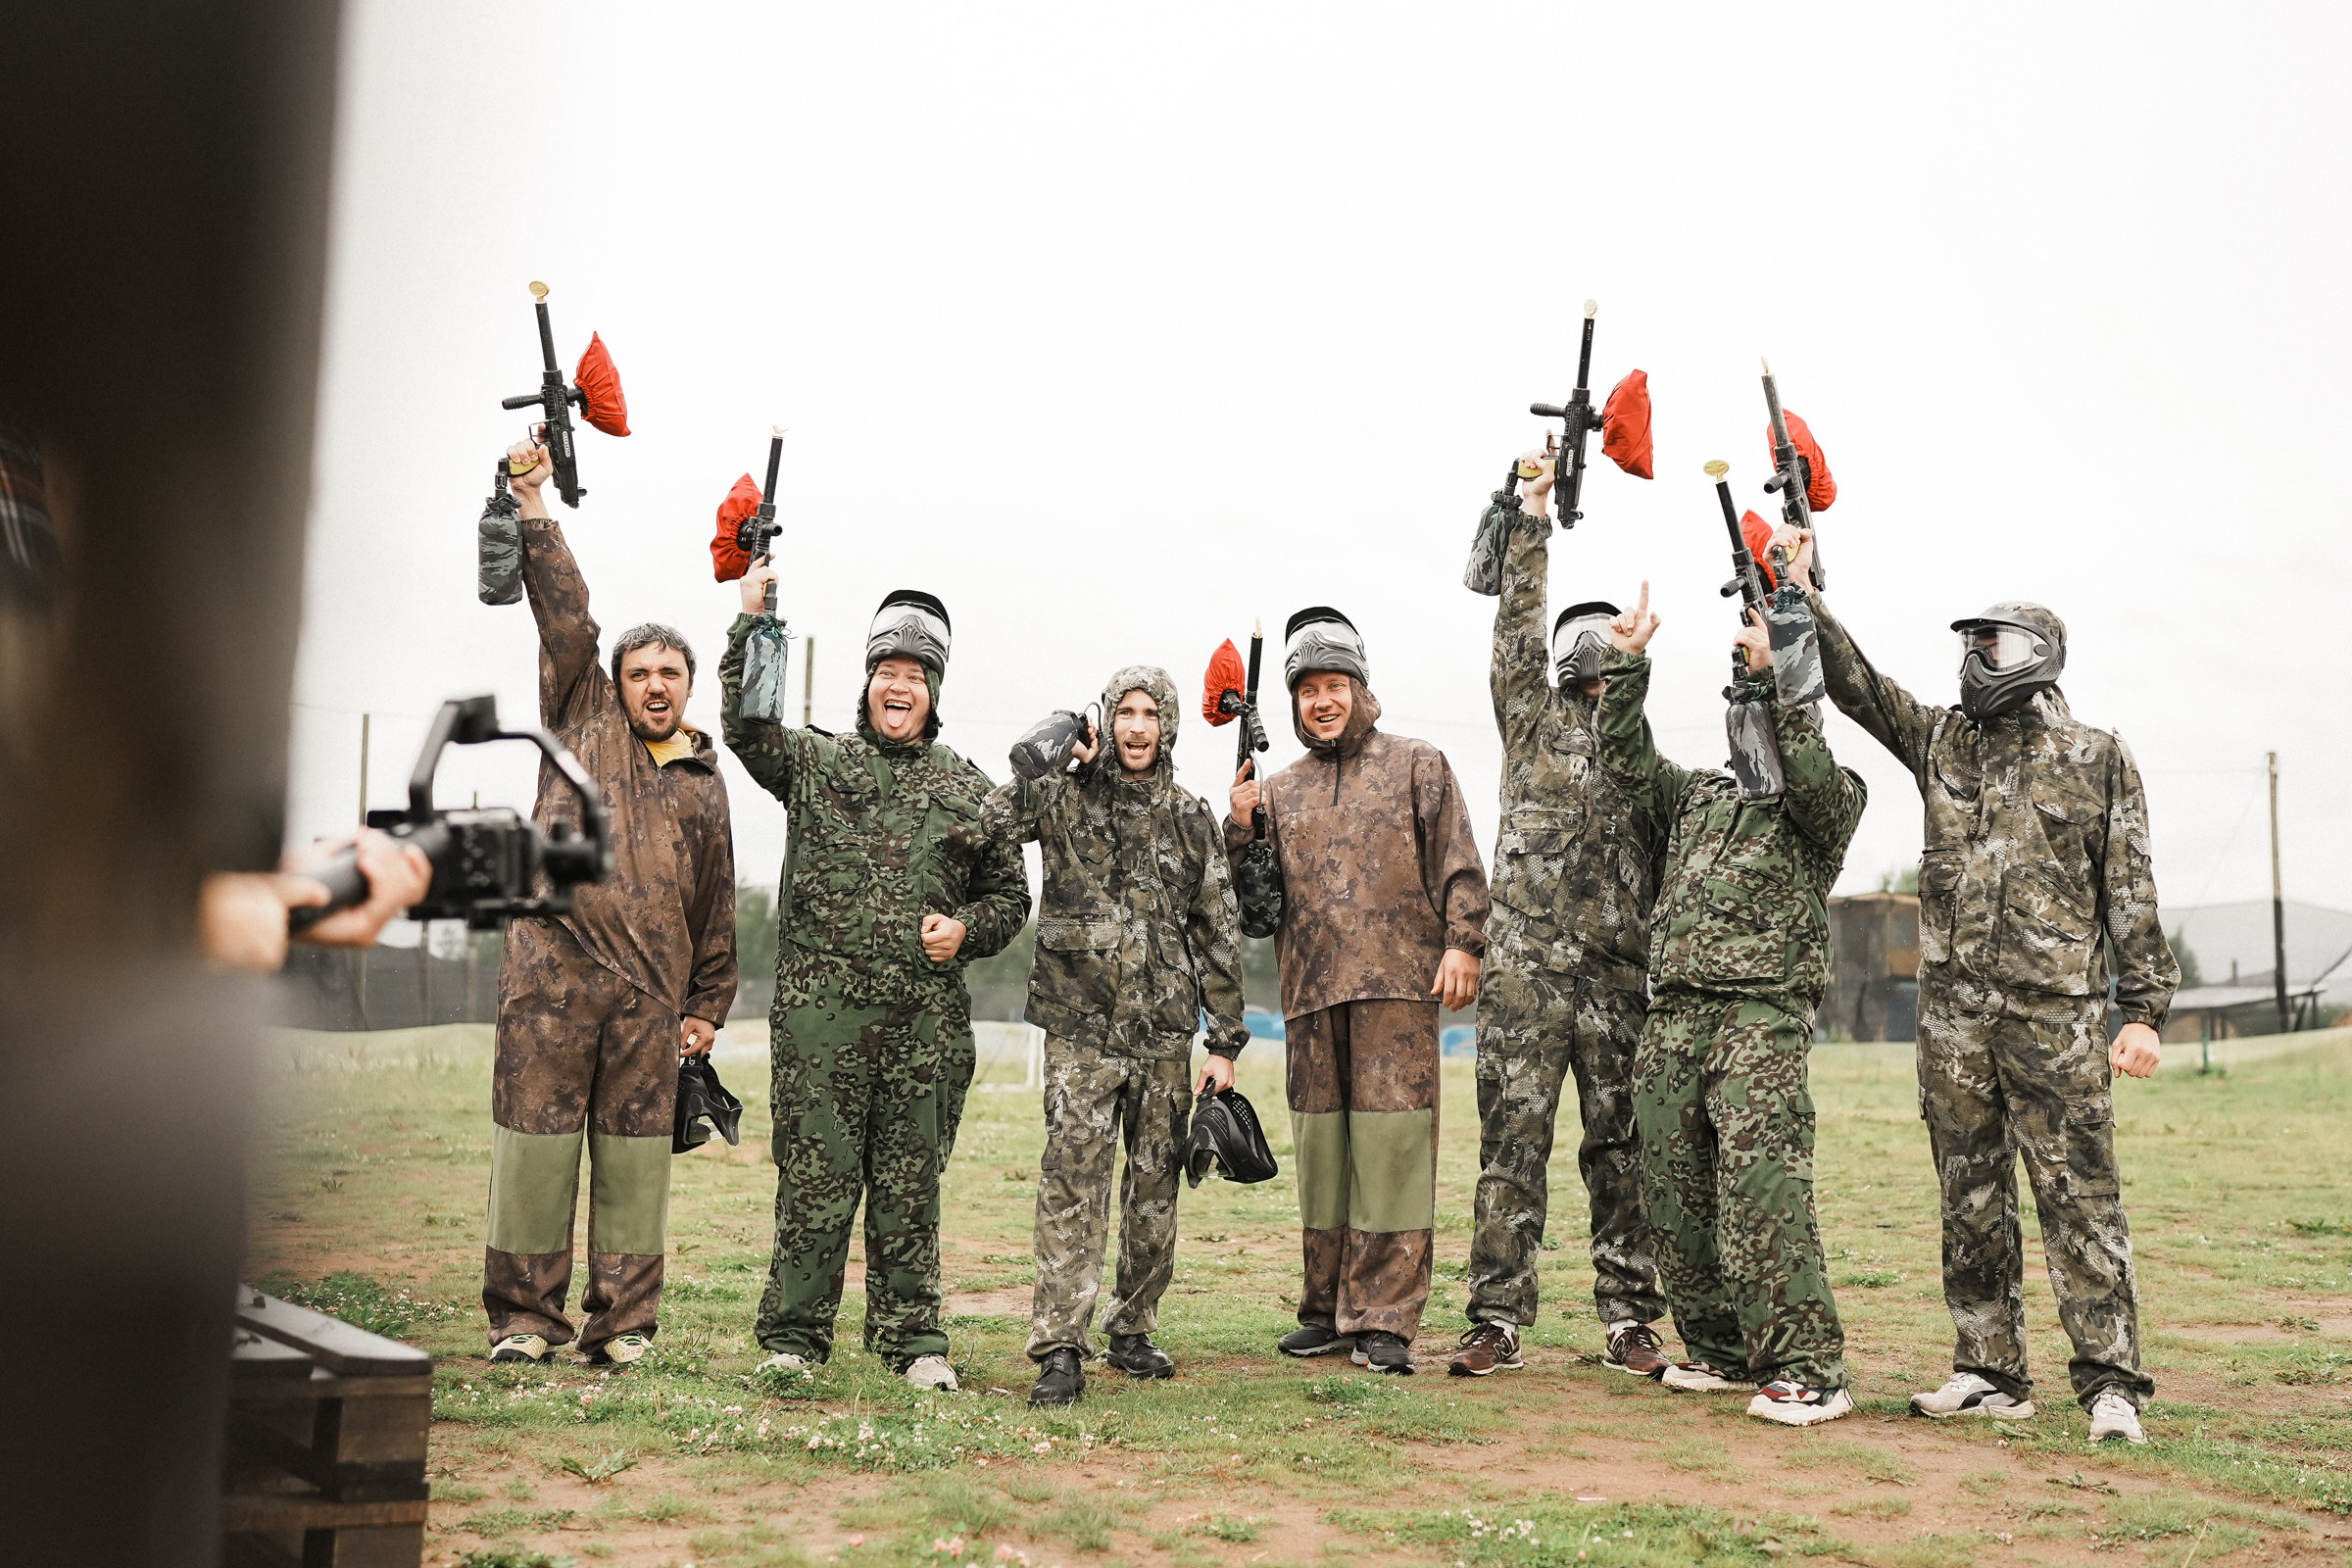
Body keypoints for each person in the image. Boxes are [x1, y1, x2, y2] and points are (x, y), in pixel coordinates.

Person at [1795, 529, 2176, 1444]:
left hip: (2059, 1023)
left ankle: (2110, 1383)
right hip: (1955, 1022)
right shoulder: (1942, 742)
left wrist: (2145, 1012)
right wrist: (1803, 594)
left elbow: (2129, 888)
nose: (1973, 660)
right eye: (1967, 645)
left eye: (1990, 645)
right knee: (1968, 1194)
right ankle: (1988, 1368)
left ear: (2039, 656)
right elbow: (1859, 687)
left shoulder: (2097, 757)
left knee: (2079, 1196)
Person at [724, 567, 1029, 1391]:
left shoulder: (967, 791)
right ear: (868, 683)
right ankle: (793, 1339)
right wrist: (756, 624)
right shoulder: (818, 764)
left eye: (917, 677)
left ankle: (913, 1342)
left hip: (921, 1035)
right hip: (819, 1027)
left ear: (934, 692)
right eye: (888, 673)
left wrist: (966, 931)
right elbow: (750, 730)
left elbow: (1011, 894)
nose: (901, 687)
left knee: (909, 1191)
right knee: (814, 1184)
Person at [483, 441, 739, 1368]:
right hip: (549, 978)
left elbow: (714, 902)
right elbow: (566, 614)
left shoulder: (705, 778)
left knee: (634, 1166)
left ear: (689, 686)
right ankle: (523, 1321)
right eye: (641, 673)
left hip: (651, 996)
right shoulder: (578, 714)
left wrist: (709, 1003)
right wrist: (534, 501)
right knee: (534, 1156)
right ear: (616, 683)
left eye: (672, 673)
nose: (656, 686)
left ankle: (622, 1326)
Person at [1593, 582, 1866, 1427]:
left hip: (1759, 1015)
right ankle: (1716, 1349)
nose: (1746, 722)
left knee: (1762, 1187)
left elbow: (1809, 763)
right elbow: (1627, 761)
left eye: (1763, 707)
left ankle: (1808, 1371)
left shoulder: (1824, 801)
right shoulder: (1701, 799)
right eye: (1739, 703)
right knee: (1672, 1189)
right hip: (1674, 1016)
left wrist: (1781, 670)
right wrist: (1627, 667)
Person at [1451, 452, 1672, 1381]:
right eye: (1586, 645)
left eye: (1611, 646)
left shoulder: (1641, 748)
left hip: (1619, 985)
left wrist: (1636, 669)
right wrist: (1533, 523)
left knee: (1622, 1153)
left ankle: (1629, 1316)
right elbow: (1512, 626)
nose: (1591, 656)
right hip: (1523, 985)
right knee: (1512, 1148)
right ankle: (1497, 1315)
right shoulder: (1529, 722)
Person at [1229, 608, 1488, 1375]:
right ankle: (1326, 1309)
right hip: (1309, 994)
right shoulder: (1274, 790)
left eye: (1334, 685)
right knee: (1324, 1159)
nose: (1321, 701)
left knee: (1393, 1154)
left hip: (1398, 993)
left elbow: (1461, 865)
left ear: (1361, 690)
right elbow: (1252, 910)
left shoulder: (1419, 764)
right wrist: (1241, 831)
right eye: (1307, 690)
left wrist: (1464, 944)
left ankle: (1384, 1319)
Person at [982, 667, 1250, 1407]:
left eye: (1149, 715)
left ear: (1167, 725)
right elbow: (988, 821)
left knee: (1155, 1186)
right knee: (1072, 1185)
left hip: (1162, 1037)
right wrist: (1051, 754)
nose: (1136, 728)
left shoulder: (1190, 815)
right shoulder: (1065, 799)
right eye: (1123, 714)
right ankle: (1061, 1346)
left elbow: (1218, 933)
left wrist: (1223, 1042)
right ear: (1108, 720)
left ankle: (1132, 1327)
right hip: (1079, 1032)